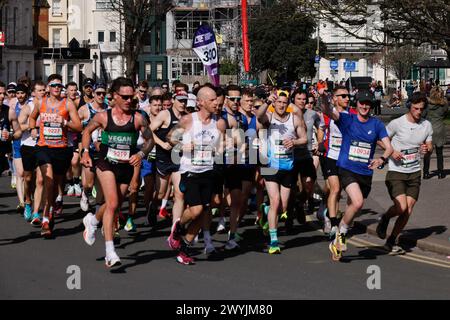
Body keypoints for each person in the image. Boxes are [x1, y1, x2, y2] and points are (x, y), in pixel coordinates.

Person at [80, 77, 154, 268]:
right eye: (125, 97)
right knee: (112, 202)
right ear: (114, 96)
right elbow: (86, 132)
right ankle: (110, 252)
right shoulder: (103, 117)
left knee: (116, 204)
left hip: (126, 165)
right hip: (105, 162)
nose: (129, 100)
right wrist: (86, 152)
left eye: (132, 97)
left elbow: (149, 140)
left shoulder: (138, 118)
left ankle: (93, 220)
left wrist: (141, 153)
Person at [319, 89, 393, 261]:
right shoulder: (347, 120)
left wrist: (381, 159)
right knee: (358, 202)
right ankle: (341, 234)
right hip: (347, 169)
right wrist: (324, 97)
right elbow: (328, 110)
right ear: (356, 104)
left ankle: (339, 238)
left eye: (368, 103)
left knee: (355, 206)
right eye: (361, 103)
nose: (364, 106)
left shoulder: (376, 125)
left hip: (365, 173)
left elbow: (388, 147)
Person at [166, 86, 226, 265]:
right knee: (196, 209)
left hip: (208, 171)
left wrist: (225, 148)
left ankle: (184, 247)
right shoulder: (187, 120)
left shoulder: (220, 123)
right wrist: (181, 146)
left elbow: (221, 145)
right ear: (201, 102)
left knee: (204, 213)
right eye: (213, 99)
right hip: (190, 171)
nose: (217, 102)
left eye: (217, 99)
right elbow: (170, 137)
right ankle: (177, 229)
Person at [376, 92, 433, 254]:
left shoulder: (426, 125)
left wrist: (427, 149)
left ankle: (391, 240)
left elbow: (429, 146)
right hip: (396, 171)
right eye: (415, 108)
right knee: (400, 207)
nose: (419, 112)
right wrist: (391, 151)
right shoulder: (397, 123)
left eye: (421, 109)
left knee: (408, 209)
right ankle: (385, 217)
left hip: (414, 172)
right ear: (409, 106)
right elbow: (380, 138)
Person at [28, 74, 82, 238]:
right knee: (48, 179)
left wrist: (65, 123)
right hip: (44, 147)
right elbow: (32, 117)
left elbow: (79, 126)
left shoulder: (68, 104)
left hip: (61, 149)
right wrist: (33, 129)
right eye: (54, 85)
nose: (57, 88)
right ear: (48, 87)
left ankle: (50, 209)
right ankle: (45, 218)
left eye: (60, 85)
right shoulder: (41, 102)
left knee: (56, 183)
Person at [257, 91, 307, 254]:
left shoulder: (295, 119)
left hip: (287, 166)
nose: (281, 105)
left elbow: (304, 138)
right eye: (278, 102)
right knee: (276, 200)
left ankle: (266, 211)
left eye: (284, 103)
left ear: (288, 104)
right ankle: (274, 241)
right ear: (274, 103)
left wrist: (294, 142)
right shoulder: (269, 117)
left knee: (283, 207)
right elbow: (259, 117)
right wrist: (266, 102)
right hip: (270, 165)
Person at [149, 87, 187, 226]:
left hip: (179, 159)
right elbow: (148, 131)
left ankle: (175, 226)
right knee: (160, 193)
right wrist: (161, 143)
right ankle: (153, 208)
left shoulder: (186, 117)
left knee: (179, 194)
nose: (183, 104)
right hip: (163, 158)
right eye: (180, 101)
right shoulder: (165, 114)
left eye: (185, 101)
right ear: (173, 101)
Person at [319, 85, 350, 236]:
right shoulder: (333, 114)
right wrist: (324, 96)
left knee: (339, 192)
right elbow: (326, 108)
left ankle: (330, 215)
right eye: (343, 96)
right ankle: (332, 224)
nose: (347, 98)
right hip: (331, 157)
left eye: (348, 96)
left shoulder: (352, 114)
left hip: (345, 160)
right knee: (335, 189)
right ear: (335, 98)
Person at [18, 81, 46, 224]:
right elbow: (18, 126)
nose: (43, 93)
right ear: (33, 92)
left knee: (40, 180)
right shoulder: (28, 108)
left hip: (43, 146)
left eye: (44, 91)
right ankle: (28, 201)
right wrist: (32, 126)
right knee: (28, 179)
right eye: (40, 90)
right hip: (28, 146)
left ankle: (36, 213)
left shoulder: (48, 107)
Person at [78, 83, 109, 212]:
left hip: (104, 150)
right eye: (98, 93)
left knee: (102, 183)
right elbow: (75, 124)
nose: (101, 96)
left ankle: (98, 207)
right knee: (88, 183)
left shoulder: (109, 109)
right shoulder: (85, 109)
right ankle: (85, 193)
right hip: (88, 149)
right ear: (94, 94)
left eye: (103, 93)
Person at [423, 86, 448, 179]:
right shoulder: (444, 104)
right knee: (439, 152)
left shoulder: (427, 104)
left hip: (429, 129)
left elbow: (423, 115)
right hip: (439, 128)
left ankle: (425, 173)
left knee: (427, 153)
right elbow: (445, 114)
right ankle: (441, 172)